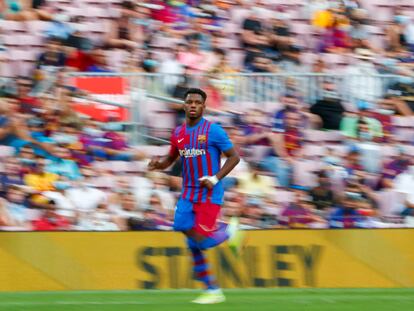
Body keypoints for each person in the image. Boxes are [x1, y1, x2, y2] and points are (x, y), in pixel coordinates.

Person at [148, 88, 241, 304]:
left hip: (209, 193)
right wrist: (158, 165)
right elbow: (170, 159)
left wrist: (216, 178)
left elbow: (234, 157)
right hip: (188, 192)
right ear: (183, 105)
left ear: (203, 107)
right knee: (181, 227)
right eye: (189, 101)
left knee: (201, 243)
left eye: (197, 102)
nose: (192, 105)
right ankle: (212, 289)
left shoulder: (214, 131)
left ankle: (228, 234)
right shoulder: (178, 133)